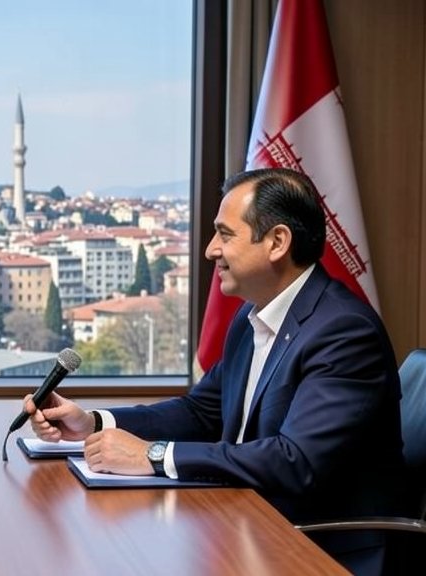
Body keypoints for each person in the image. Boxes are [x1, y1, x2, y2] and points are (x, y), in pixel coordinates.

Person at [24, 168, 404, 575]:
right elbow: (202, 412)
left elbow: (295, 462)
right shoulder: (251, 317)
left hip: (316, 548)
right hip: (247, 523)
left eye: (225, 234)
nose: (210, 250)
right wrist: (94, 422)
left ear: (277, 242)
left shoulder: (343, 332)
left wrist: (151, 455)